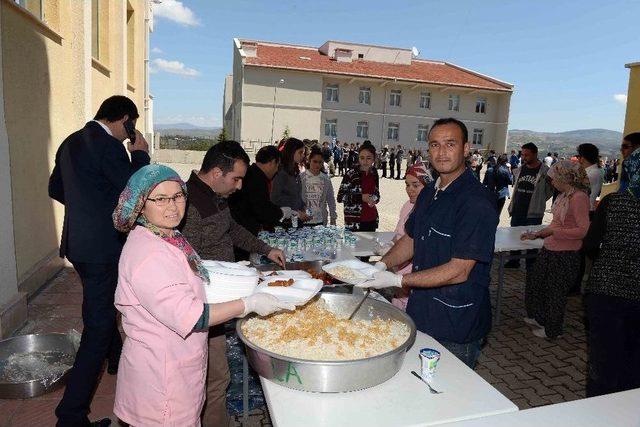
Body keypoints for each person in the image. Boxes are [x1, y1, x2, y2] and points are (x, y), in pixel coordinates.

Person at [111, 164, 292, 427]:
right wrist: (248, 304)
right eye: (160, 199)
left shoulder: (167, 236)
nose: (172, 206)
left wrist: (229, 271)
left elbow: (187, 279)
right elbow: (193, 316)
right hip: (162, 379)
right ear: (140, 205)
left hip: (176, 364)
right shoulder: (148, 255)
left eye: (178, 196)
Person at [359, 118, 499, 368]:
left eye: (450, 144)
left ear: (466, 149)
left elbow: (460, 270)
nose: (441, 152)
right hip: (421, 312)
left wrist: (397, 280)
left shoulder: (476, 202)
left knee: (448, 397)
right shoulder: (428, 193)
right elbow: (411, 238)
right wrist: (382, 265)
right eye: (435, 145)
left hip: (455, 322)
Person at [48, 95, 150, 427]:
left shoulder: (71, 141)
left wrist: (87, 204)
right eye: (129, 126)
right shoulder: (108, 146)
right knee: (99, 324)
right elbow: (134, 191)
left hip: (78, 245)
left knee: (101, 305)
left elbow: (56, 188)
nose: (128, 133)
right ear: (125, 119)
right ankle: (71, 415)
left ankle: (116, 358)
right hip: (102, 250)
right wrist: (141, 154)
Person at [179, 141, 286, 426]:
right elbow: (188, 264)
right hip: (203, 304)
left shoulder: (215, 195)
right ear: (216, 173)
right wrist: (234, 280)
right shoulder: (188, 206)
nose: (239, 186)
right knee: (216, 379)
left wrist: (265, 249)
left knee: (217, 376)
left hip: (221, 296)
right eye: (236, 178)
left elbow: (233, 230)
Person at [583, 148, 640, 397]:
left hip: (606, 292)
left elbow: (591, 245)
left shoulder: (613, 202)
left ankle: (599, 412)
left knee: (604, 360)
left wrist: (610, 262)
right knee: (634, 362)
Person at [520, 161, 590, 339]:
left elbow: (583, 230)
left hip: (565, 254)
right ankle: (540, 318)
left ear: (565, 177)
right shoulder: (563, 195)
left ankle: (553, 330)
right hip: (551, 248)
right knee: (537, 284)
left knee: (555, 292)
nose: (552, 181)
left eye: (554, 177)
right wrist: (537, 234)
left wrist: (553, 232)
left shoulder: (579, 198)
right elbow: (556, 223)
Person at [229, 145, 294, 260]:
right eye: (277, 167)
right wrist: (281, 213)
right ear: (272, 162)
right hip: (241, 234)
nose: (276, 171)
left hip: (241, 231)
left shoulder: (253, 173)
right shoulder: (256, 177)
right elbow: (261, 208)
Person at [391, 161, 433, 311]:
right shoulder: (407, 206)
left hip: (415, 274)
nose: (410, 190)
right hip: (399, 270)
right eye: (407, 185)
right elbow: (398, 234)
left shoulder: (431, 211)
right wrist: (389, 247)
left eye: (416, 185)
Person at [506, 142, 554, 269]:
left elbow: (549, 191)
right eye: (522, 154)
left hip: (533, 212)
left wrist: (539, 200)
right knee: (515, 237)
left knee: (532, 239)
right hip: (518, 209)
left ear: (535, 154)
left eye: (527, 155)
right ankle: (513, 261)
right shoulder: (521, 169)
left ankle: (531, 264)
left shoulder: (545, 171)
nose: (524, 157)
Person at [337, 140, 380, 231]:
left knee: (369, 245)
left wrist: (375, 199)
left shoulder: (374, 173)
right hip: (354, 222)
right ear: (358, 158)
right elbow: (340, 197)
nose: (365, 161)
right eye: (362, 158)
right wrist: (361, 197)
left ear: (373, 159)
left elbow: (377, 193)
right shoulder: (351, 174)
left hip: (371, 219)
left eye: (368, 158)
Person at [271, 138, 311, 226]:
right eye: (300, 152)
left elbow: (297, 195)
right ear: (291, 152)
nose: (303, 156)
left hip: (297, 220)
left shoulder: (295, 171)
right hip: (284, 221)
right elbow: (275, 199)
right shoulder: (280, 172)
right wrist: (294, 211)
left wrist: (303, 207)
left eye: (303, 153)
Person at [301, 146, 337, 226]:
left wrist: (333, 217)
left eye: (320, 162)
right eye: (315, 161)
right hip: (304, 220)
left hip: (320, 220)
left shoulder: (326, 179)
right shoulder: (301, 177)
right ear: (309, 160)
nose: (317, 164)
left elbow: (331, 199)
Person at [577, 143, 603, 216]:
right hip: (586, 208)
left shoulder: (592, 173)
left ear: (582, 158)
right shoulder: (593, 171)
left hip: (585, 210)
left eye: (578, 156)